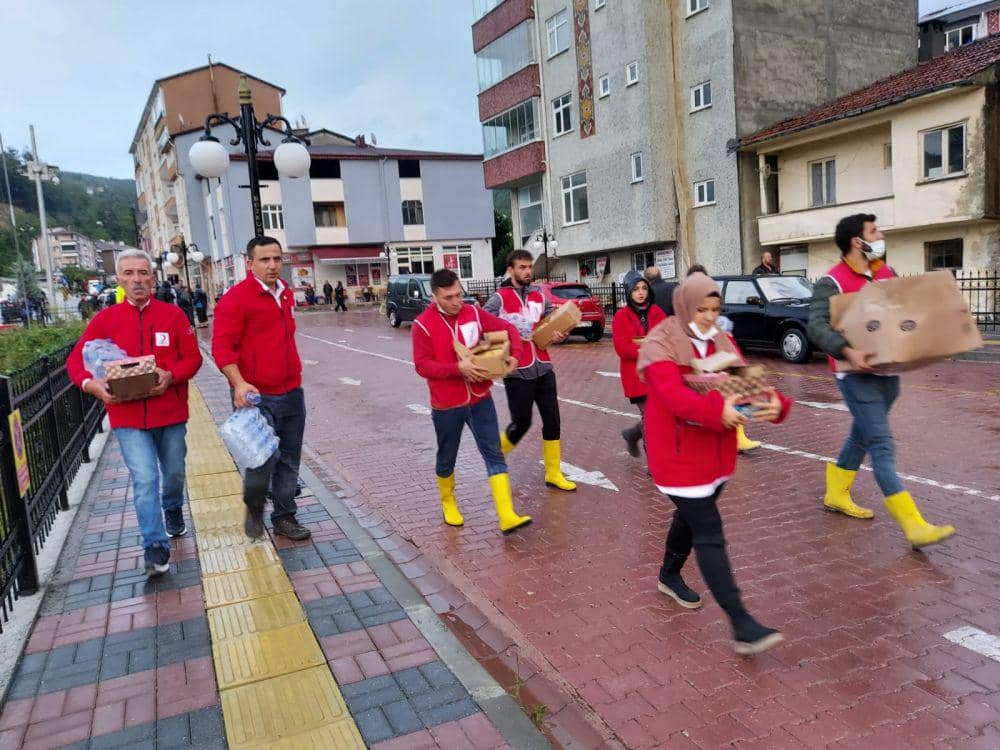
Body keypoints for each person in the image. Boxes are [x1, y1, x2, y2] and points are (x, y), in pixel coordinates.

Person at [637, 272, 792, 654]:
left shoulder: (721, 340)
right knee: (708, 529)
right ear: (684, 304)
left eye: (715, 309)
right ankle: (741, 622)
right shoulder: (662, 342)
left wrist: (775, 405)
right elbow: (674, 398)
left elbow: (748, 388)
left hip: (715, 455)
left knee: (689, 518)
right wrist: (714, 412)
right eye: (701, 309)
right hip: (676, 455)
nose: (708, 316)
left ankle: (669, 574)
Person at [807, 213, 954, 548]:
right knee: (881, 445)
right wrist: (846, 349)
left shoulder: (886, 273)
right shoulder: (832, 283)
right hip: (855, 376)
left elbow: (905, 313)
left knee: (862, 434)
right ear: (857, 241)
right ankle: (914, 526)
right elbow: (815, 326)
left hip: (889, 375)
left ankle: (836, 492)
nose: (881, 234)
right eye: (874, 231)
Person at [67, 249, 202, 577]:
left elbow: (193, 359)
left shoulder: (173, 316)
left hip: (169, 413)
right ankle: (154, 546)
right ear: (119, 280)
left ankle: (172, 509)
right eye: (129, 273)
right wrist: (92, 385)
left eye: (143, 273)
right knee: (144, 479)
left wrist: (171, 375)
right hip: (127, 419)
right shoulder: (104, 321)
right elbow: (75, 362)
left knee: (173, 476)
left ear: (153, 278)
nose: (137, 279)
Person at [412, 268, 532, 532]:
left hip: (480, 399)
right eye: (448, 297)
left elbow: (508, 328)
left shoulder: (473, 313)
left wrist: (516, 355)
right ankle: (448, 501)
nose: (456, 302)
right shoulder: (422, 324)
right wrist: (458, 369)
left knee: (494, 453)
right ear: (434, 297)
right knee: (447, 456)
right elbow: (422, 366)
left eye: (458, 294)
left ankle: (507, 515)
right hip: (447, 405)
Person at [212, 236, 312, 542]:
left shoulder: (285, 294)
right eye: (265, 260)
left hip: (292, 391)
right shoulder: (235, 299)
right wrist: (239, 383)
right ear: (250, 263)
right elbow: (221, 348)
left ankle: (285, 516)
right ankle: (254, 510)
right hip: (256, 396)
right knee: (261, 460)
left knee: (290, 458)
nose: (272, 265)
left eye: (277, 259)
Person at [484, 250, 577, 492]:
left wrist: (560, 333)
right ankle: (495, 459)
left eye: (529, 267)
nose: (527, 272)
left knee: (553, 421)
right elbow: (483, 326)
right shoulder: (499, 299)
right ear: (510, 270)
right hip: (518, 372)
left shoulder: (538, 295)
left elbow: (550, 322)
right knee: (521, 423)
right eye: (522, 267)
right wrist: (505, 338)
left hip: (544, 367)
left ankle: (553, 473)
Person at [613, 270, 666, 458]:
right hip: (635, 375)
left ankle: (633, 434)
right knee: (650, 415)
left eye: (644, 288)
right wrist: (647, 350)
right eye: (636, 289)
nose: (641, 292)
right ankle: (654, 460)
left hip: (657, 373)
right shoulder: (621, 316)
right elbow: (622, 347)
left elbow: (665, 337)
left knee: (657, 414)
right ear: (629, 292)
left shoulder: (657, 312)